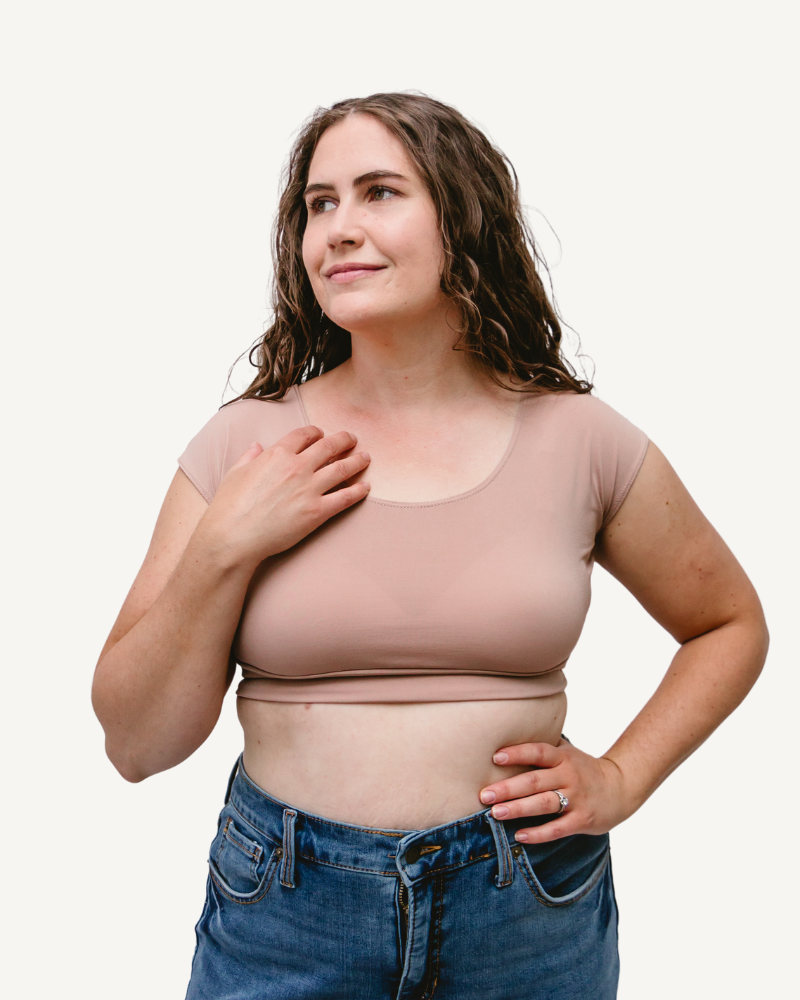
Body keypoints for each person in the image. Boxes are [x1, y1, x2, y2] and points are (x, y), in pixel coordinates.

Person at [91, 93, 768, 1000]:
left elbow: (727, 622)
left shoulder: (583, 439)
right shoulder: (242, 449)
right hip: (287, 907)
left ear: (464, 220)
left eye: (379, 192)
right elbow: (136, 745)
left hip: (525, 902)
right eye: (318, 204)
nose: (337, 228)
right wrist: (224, 545)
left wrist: (622, 776)